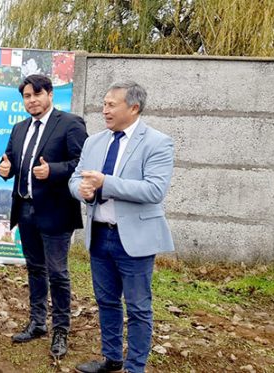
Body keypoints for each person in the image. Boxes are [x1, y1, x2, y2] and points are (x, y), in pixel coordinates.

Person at [70, 81, 174, 373]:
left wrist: (106, 183)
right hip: (100, 233)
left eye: (111, 104)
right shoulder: (94, 142)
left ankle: (135, 367)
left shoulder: (157, 142)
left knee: (139, 307)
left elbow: (154, 190)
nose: (105, 110)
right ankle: (112, 358)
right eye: (103, 104)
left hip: (134, 239)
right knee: (106, 301)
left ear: (134, 107)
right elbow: (75, 178)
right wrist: (82, 191)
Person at [0, 74, 88, 357]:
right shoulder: (19, 127)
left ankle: (61, 329)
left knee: (58, 273)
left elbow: (82, 162)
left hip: (56, 211)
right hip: (25, 208)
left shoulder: (70, 123)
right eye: (27, 96)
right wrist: (5, 169)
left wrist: (54, 171)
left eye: (37, 94)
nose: (32, 100)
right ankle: (37, 323)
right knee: (35, 268)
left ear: (50, 94)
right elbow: (11, 161)